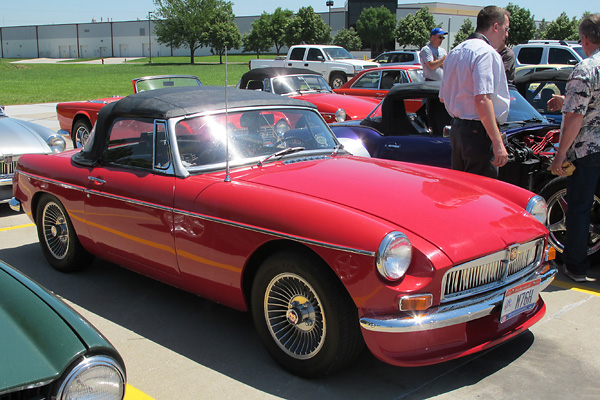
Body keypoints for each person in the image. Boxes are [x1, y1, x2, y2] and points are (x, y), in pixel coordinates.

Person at [548, 13, 600, 283]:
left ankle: (576, 267)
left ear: (584, 38)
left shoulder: (587, 68)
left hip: (589, 151)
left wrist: (560, 155)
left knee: (579, 208)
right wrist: (566, 99)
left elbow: (575, 117)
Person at [439, 6, 511, 179]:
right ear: (496, 26)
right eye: (506, 28)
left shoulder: (454, 52)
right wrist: (497, 141)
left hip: (458, 130)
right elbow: (482, 99)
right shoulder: (486, 53)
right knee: (481, 195)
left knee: (462, 191)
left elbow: (442, 97)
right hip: (478, 133)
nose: (507, 34)